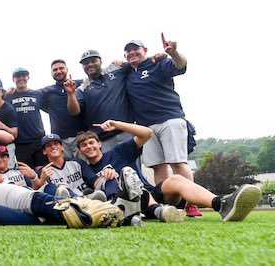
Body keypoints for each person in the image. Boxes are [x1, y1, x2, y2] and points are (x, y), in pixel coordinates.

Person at [78, 120, 261, 222]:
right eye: (84, 145)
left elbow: (146, 133)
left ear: (99, 143)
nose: (88, 147)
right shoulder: (86, 171)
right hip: (128, 204)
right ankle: (159, 211)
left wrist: (117, 125)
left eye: (91, 142)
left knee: (175, 180)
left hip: (151, 193)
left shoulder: (118, 152)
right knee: (127, 177)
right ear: (80, 151)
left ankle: (221, 204)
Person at [123, 36, 201, 216]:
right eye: (129, 51)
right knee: (158, 166)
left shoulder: (157, 63)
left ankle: (192, 202)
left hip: (169, 118)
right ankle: (168, 205)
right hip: (146, 127)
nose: (132, 53)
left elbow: (180, 65)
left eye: (136, 49)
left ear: (145, 50)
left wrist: (173, 52)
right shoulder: (127, 72)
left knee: (177, 162)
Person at [65, 50, 135, 152]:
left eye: (93, 61)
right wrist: (71, 94)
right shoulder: (82, 88)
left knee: (132, 168)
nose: (90, 65)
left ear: (101, 61)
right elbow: (74, 111)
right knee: (108, 168)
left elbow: (138, 63)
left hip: (126, 132)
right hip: (103, 139)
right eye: (86, 63)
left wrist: (157, 57)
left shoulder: (116, 69)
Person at [39, 60, 86, 159]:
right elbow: (30, 95)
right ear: (51, 73)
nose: (58, 71)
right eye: (55, 70)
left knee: (87, 166)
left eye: (61, 68)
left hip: (81, 136)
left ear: (67, 70)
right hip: (60, 139)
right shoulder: (47, 91)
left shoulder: (81, 83)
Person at [5, 68, 48, 170]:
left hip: (39, 139)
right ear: (13, 79)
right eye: (17, 76)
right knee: (26, 173)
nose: (21, 78)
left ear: (28, 77)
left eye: (23, 75)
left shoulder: (38, 94)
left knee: (42, 171)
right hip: (21, 142)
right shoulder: (8, 97)